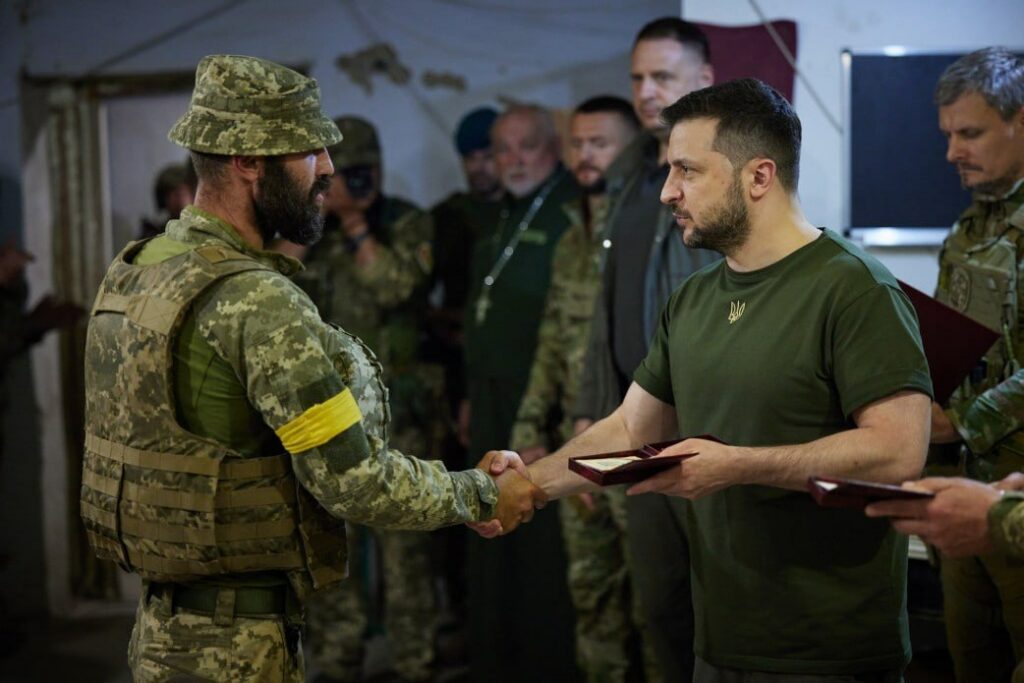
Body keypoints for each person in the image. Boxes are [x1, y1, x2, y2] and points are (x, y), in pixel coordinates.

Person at [78, 54, 542, 683]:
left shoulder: (138, 267)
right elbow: (353, 481)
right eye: (308, 150)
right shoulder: (255, 298)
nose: (328, 169)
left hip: (163, 633)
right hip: (239, 651)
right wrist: (483, 492)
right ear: (248, 161)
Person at [482, 78, 933, 679]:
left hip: (827, 647)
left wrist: (737, 465)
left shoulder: (855, 289)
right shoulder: (693, 298)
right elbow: (631, 427)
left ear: (759, 177)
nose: (667, 191)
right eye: (670, 169)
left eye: (688, 171)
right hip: (720, 638)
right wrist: (528, 485)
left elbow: (898, 451)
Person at [572, 17, 721, 681]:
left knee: (719, 607)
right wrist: (592, 404)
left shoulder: (723, 173)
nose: (646, 91)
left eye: (663, 75)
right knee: (659, 605)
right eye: (637, 77)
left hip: (705, 426)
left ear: (704, 78)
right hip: (636, 424)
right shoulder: (630, 174)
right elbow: (605, 304)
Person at [281, 115, 444, 683]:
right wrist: (318, 216)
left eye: (365, 169)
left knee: (406, 549)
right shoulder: (311, 228)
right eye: (344, 173)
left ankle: (417, 661)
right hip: (329, 415)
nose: (357, 181)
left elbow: (398, 286)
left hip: (401, 413)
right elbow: (277, 286)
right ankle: (337, 661)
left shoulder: (407, 222)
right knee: (333, 547)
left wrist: (354, 224)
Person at [507, 95, 645, 682]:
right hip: (575, 440)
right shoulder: (570, 240)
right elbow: (551, 341)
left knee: (655, 608)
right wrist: (530, 427)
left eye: (601, 144)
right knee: (592, 600)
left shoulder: (651, 233)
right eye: (578, 144)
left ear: (631, 151)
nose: (586, 155)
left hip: (637, 444)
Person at [913, 46, 1024, 683]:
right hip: (963, 488)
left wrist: (961, 421)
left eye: (971, 133)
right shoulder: (968, 227)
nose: (953, 151)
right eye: (948, 135)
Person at [463, 103, 581, 682]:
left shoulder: (568, 213)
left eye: (526, 146)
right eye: (502, 149)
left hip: (540, 403)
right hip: (489, 394)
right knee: (488, 522)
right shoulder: (499, 214)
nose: (513, 160)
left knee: (537, 535)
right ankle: (495, 657)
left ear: (551, 148)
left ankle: (544, 663)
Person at [138, 162, 195, 240]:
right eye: (173, 192)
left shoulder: (203, 231)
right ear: (163, 199)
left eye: (183, 191)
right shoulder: (154, 236)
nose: (180, 198)